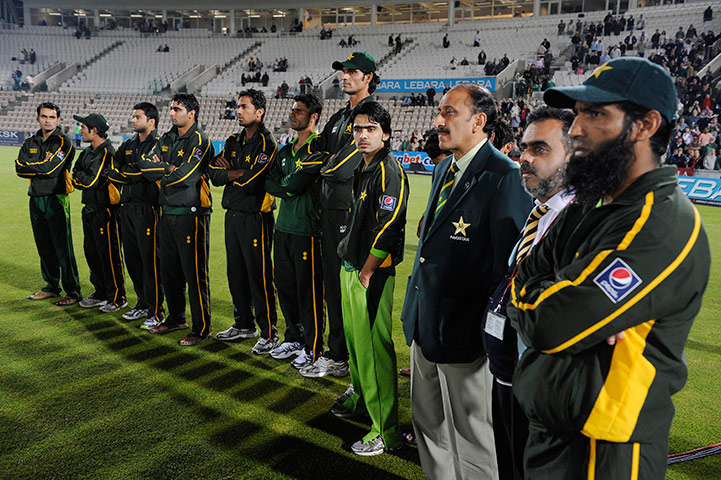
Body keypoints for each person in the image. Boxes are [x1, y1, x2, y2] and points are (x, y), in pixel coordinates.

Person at [510, 56, 711, 479]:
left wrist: (550, 296)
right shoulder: (589, 203)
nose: (576, 129)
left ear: (646, 125)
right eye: (579, 113)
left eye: (596, 113)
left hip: (606, 451)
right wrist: (562, 300)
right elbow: (523, 278)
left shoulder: (661, 223)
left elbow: (547, 322)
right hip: (553, 435)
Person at [401, 83, 533, 479]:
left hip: (467, 336)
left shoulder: (505, 176)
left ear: (479, 121)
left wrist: (485, 333)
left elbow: (507, 271)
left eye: (449, 113)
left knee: (474, 436)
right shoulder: (443, 167)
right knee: (428, 424)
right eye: (439, 112)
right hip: (424, 323)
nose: (438, 121)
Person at [484, 107, 575, 480]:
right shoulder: (540, 209)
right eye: (523, 148)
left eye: (540, 149)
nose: (524, 157)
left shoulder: (581, 220)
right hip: (508, 373)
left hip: (542, 390)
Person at [285, 52, 380, 379]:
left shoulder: (371, 116)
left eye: (352, 71)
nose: (345, 76)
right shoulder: (340, 116)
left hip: (353, 211)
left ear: (368, 77)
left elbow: (340, 166)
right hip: (329, 211)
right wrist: (321, 162)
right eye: (343, 71)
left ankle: (354, 362)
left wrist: (322, 164)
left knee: (352, 290)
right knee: (332, 287)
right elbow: (317, 153)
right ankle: (337, 354)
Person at [333, 101, 408, 456]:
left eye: (371, 129)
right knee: (355, 343)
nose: (362, 135)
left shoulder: (389, 170)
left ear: (386, 134)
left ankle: (386, 431)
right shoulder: (363, 167)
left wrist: (366, 270)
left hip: (371, 273)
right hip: (352, 266)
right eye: (359, 129)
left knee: (374, 350)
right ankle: (362, 399)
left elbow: (389, 225)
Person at [207, 89, 280, 355]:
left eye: (245, 107)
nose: (238, 111)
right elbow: (212, 174)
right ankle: (243, 324)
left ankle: (269, 332)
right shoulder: (233, 139)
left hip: (256, 218)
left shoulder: (267, 143)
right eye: (238, 106)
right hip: (233, 215)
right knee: (235, 273)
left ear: (259, 112)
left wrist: (231, 172)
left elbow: (253, 182)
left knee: (259, 275)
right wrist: (234, 173)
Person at [140, 93, 214, 346]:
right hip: (167, 212)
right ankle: (176, 318)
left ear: (191, 113)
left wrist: (166, 169)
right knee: (169, 271)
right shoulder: (166, 137)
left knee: (194, 274)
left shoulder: (200, 140)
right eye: (171, 109)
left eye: (177, 109)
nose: (171, 113)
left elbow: (187, 176)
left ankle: (202, 328)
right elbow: (145, 166)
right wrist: (168, 169)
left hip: (190, 215)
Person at [264, 94, 328, 371]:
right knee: (286, 286)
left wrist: (286, 186)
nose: (293, 115)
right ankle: (293, 337)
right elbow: (271, 182)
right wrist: (288, 186)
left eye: (299, 111)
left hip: (308, 230)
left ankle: (313, 347)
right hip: (283, 228)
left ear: (313, 116)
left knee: (309, 291)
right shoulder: (286, 150)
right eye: (292, 110)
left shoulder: (319, 148)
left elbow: (292, 185)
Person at [16, 102, 81, 306]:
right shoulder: (30, 141)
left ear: (58, 120)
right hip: (35, 198)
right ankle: (51, 287)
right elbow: (19, 167)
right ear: (38, 118)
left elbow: (51, 169)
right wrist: (40, 165)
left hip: (56, 198)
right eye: (44, 116)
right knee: (44, 246)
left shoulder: (64, 141)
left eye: (52, 117)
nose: (48, 120)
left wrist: (33, 165)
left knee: (63, 247)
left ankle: (73, 291)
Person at [107, 102, 165, 329]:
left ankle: (157, 310)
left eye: (138, 117)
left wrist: (128, 173)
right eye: (133, 116)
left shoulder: (159, 144)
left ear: (151, 121)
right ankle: (141, 303)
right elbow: (114, 169)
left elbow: (146, 172)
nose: (133, 120)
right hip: (127, 207)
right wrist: (133, 173)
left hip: (148, 209)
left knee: (150, 260)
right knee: (132, 259)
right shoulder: (129, 144)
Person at [71, 113, 127, 313]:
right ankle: (101, 292)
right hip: (90, 208)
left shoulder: (107, 153)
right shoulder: (87, 152)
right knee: (92, 253)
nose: (80, 130)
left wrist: (80, 178)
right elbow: (75, 175)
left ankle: (117, 297)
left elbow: (93, 182)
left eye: (83, 127)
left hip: (106, 211)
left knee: (109, 255)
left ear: (94, 131)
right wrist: (81, 178)